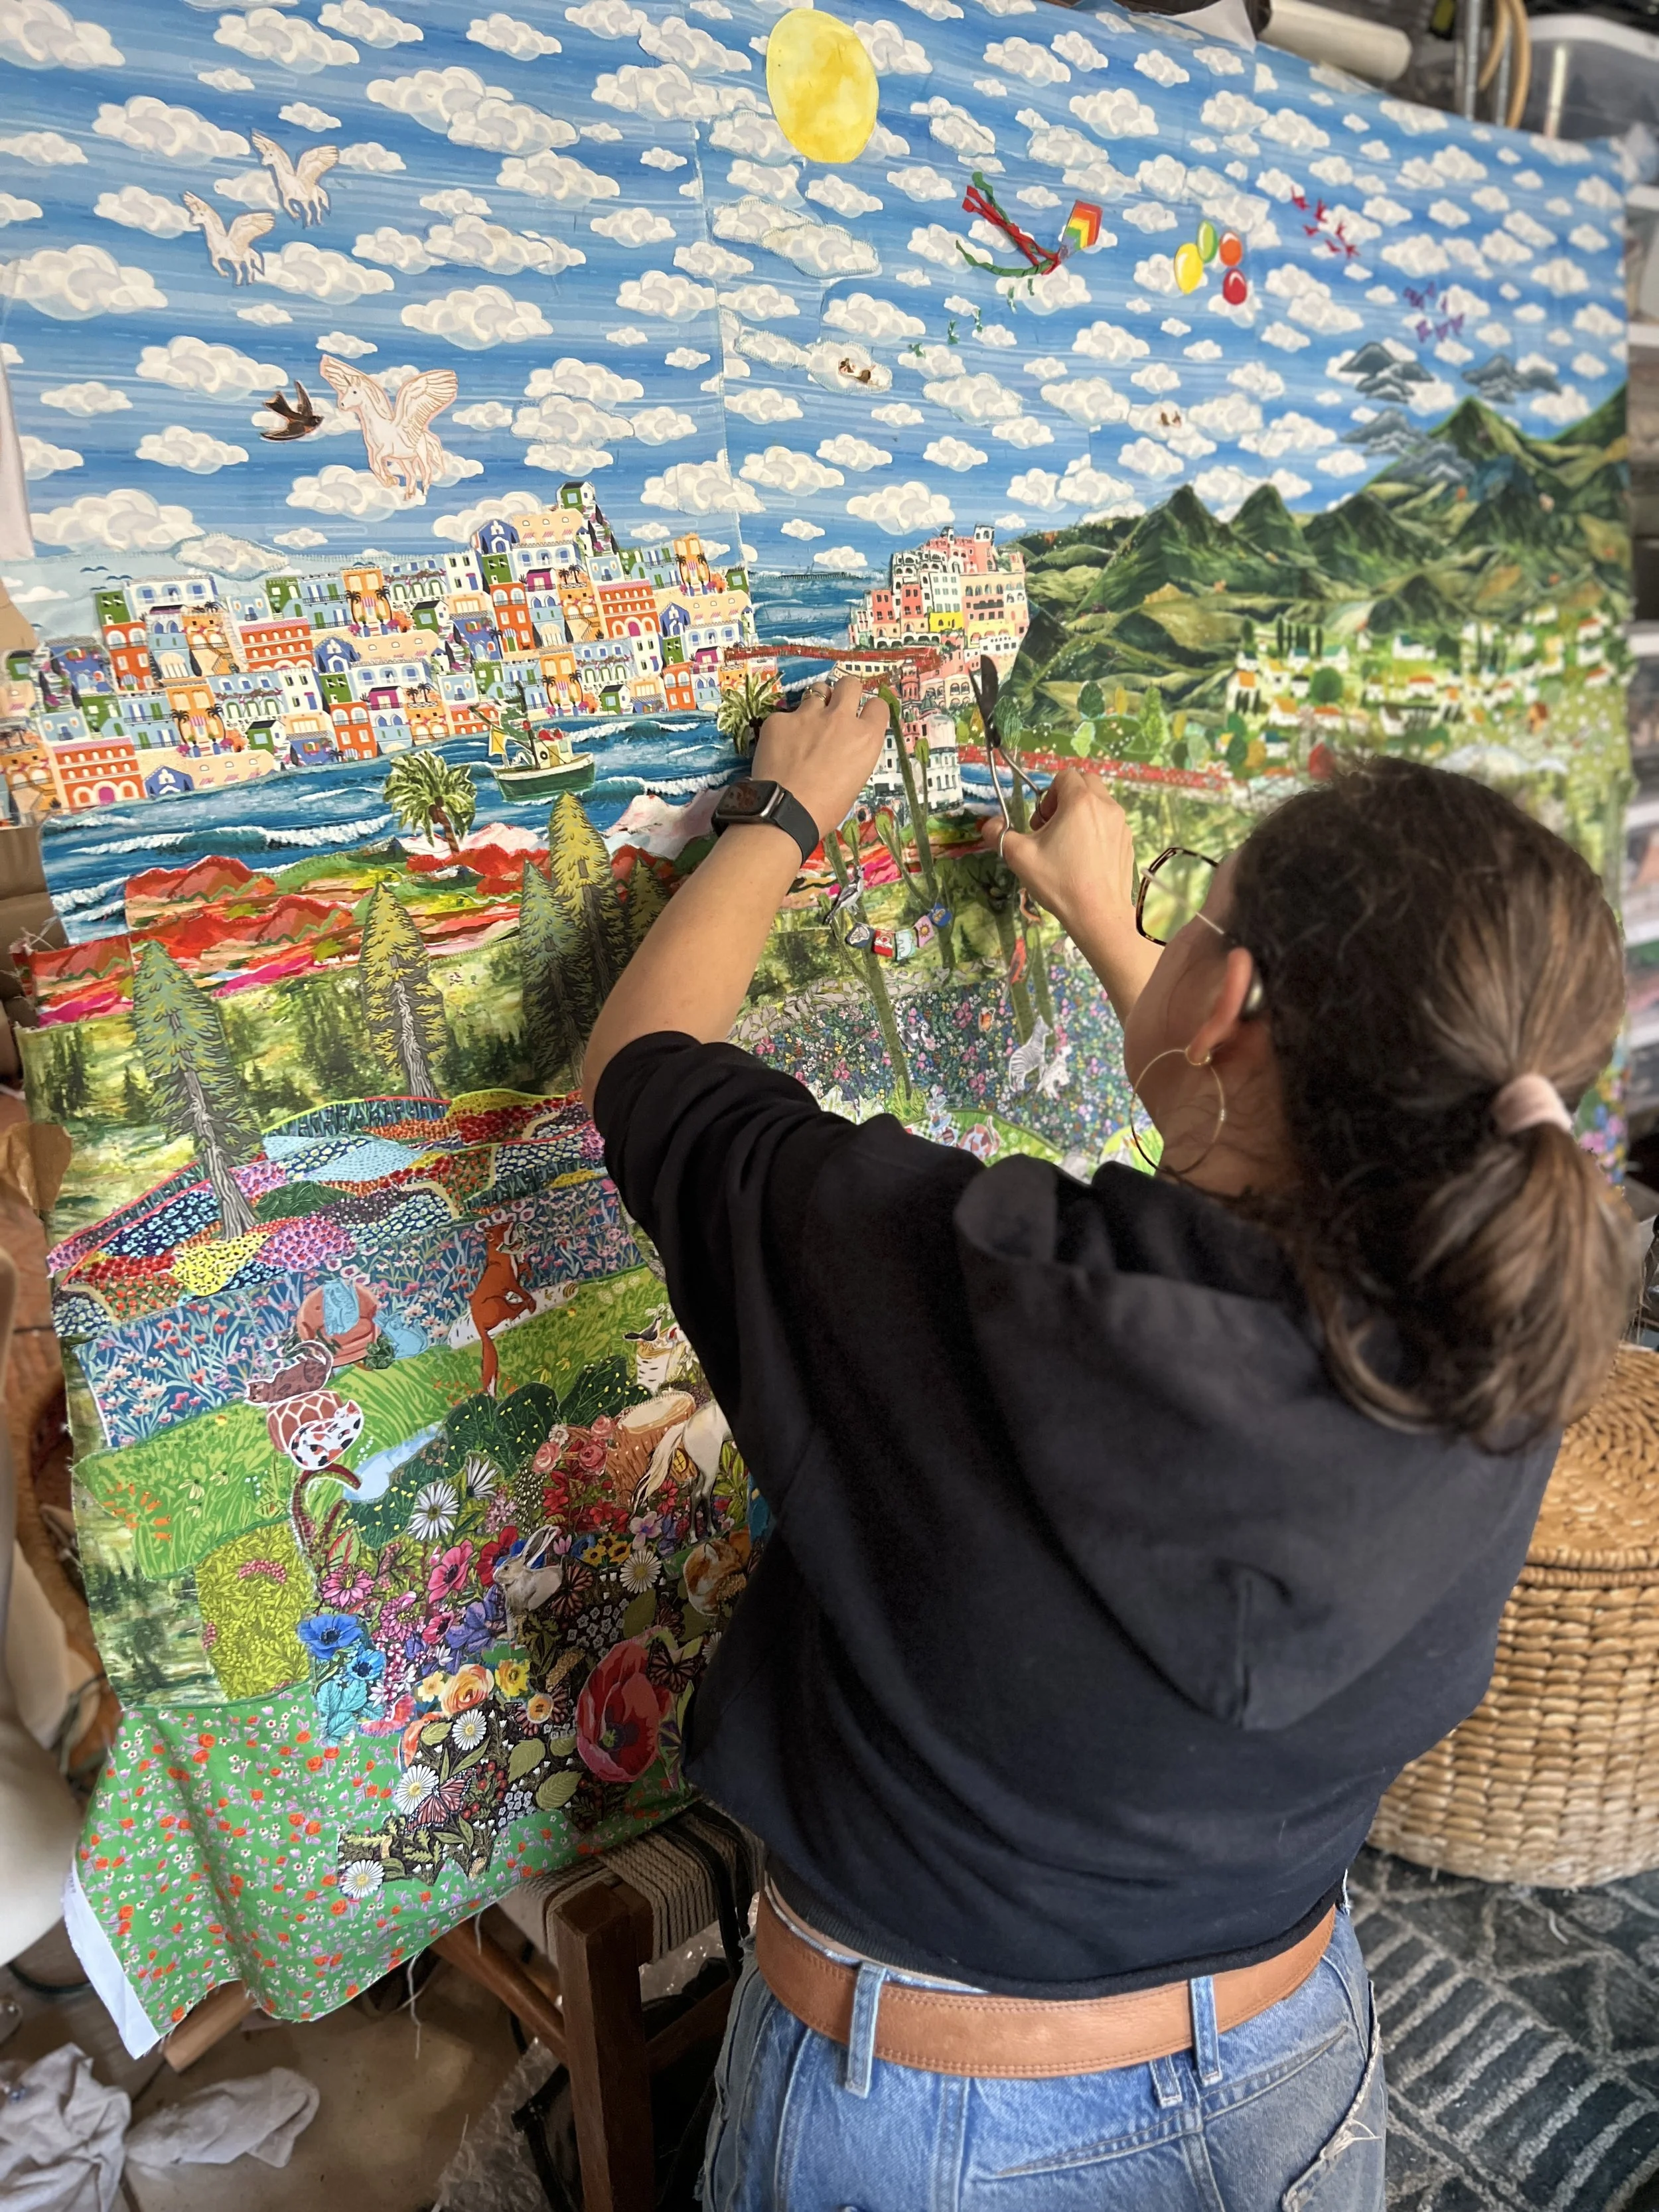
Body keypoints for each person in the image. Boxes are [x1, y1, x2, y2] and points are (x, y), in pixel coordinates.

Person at [582, 678, 1637, 2212]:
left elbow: (646, 1060)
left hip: (935, 2118)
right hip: (1292, 2054)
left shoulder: (969, 1287)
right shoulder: (1512, 1325)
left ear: (1225, 1004)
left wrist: (785, 810)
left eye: (1184, 910)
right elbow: (1295, 1161)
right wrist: (1112, 920)